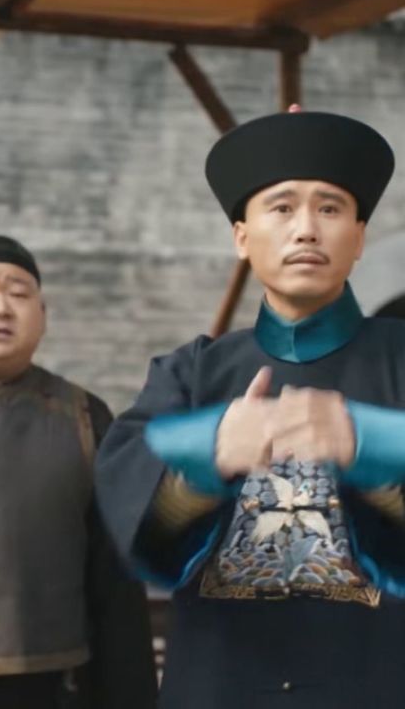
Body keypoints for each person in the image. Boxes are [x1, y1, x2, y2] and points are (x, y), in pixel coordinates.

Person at [95, 108, 405, 708]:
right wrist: (206, 459)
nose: (306, 229)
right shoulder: (190, 374)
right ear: (242, 237)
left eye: (330, 209)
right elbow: (139, 531)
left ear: (360, 237)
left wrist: (367, 446)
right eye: (282, 208)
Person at [0, 236, 157, 709]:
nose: (1, 308)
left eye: (19, 294)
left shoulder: (84, 415)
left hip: (60, 683)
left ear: (42, 315)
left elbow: (115, 581)